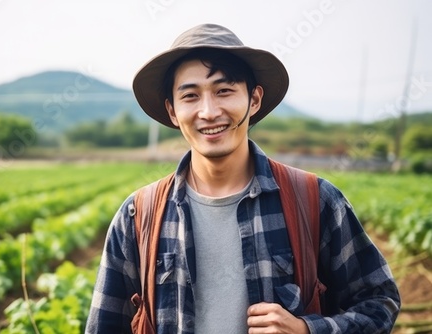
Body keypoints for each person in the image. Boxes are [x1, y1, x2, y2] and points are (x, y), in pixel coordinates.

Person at [85, 23, 400, 334]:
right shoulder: (139, 216)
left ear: (254, 100)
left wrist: (307, 330)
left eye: (224, 91)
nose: (209, 112)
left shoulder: (315, 200)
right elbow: (105, 325)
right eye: (191, 96)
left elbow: (379, 300)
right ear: (172, 111)